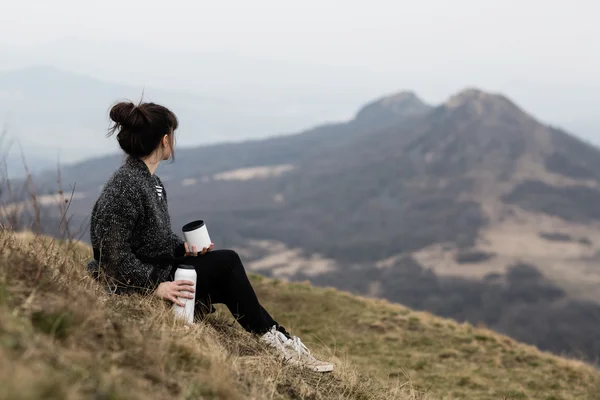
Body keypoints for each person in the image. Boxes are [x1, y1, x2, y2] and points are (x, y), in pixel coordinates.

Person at [86, 101, 333, 373]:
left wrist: (185, 250)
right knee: (227, 263)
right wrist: (155, 286)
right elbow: (112, 254)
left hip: (157, 270)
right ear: (165, 141)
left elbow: (153, 241)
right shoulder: (126, 186)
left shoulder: (150, 182)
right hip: (134, 282)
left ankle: (279, 341)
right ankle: (278, 342)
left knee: (226, 273)